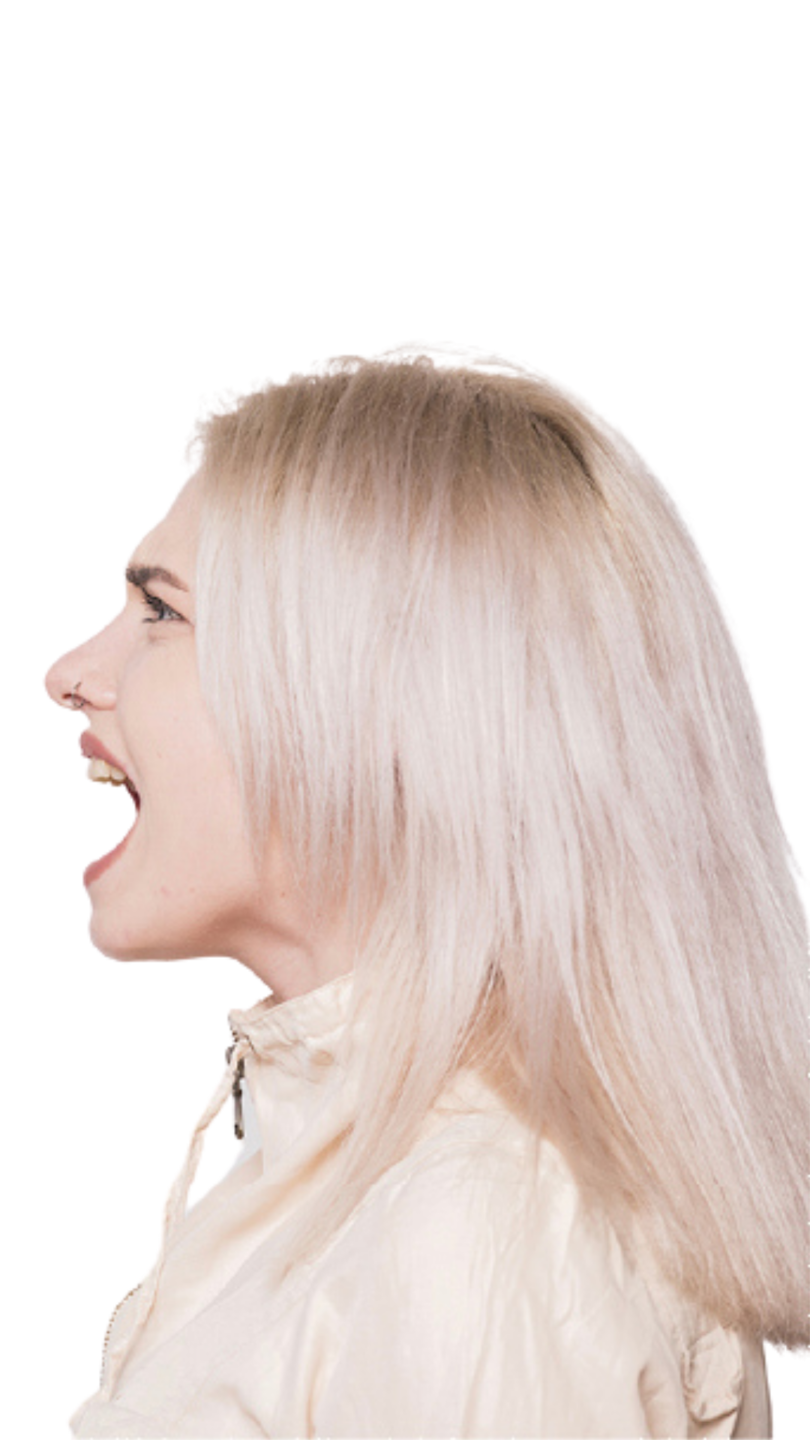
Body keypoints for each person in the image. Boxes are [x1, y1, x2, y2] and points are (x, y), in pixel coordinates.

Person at [44, 340, 806, 1438]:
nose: (69, 672)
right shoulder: (357, 1186)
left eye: (162, 613)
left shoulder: (486, 1244)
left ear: (372, 693)